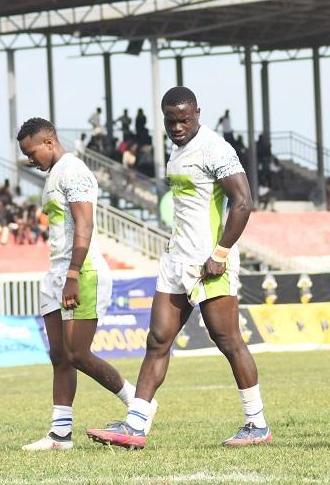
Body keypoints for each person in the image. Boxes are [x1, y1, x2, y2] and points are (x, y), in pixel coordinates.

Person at [86, 86, 271, 449]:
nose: (178, 127)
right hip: (175, 260)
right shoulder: (176, 149)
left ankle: (257, 423)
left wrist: (220, 253)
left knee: (228, 340)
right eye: (171, 121)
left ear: (198, 113)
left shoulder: (216, 148)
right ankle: (136, 424)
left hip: (209, 262)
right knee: (157, 340)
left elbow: (243, 202)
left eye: (185, 120)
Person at [16, 117, 136, 451]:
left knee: (78, 353)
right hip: (55, 272)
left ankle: (139, 406)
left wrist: (72, 275)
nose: (29, 159)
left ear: (49, 143)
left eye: (32, 151)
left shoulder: (74, 170)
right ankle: (60, 435)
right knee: (60, 357)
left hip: (80, 272)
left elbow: (85, 224)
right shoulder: (53, 174)